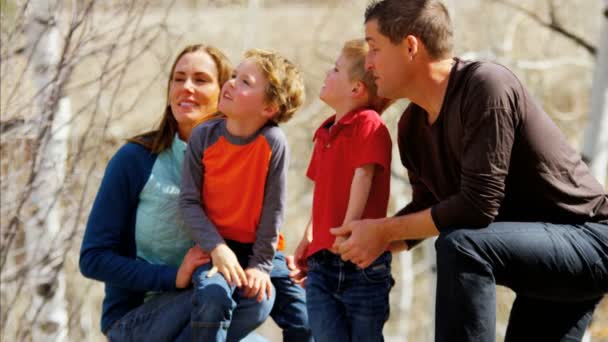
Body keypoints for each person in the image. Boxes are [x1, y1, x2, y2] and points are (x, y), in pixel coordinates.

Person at [330, 1, 608, 341]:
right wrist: (368, 243)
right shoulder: (411, 128)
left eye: (374, 48)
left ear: (410, 46)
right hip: (541, 258)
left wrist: (384, 231)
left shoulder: (486, 86)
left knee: (460, 245)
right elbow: (427, 208)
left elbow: (477, 206)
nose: (368, 63)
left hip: (590, 239)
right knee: (459, 242)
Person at [80, 44, 311, 342]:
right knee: (249, 302)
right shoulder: (135, 160)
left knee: (261, 300)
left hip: (211, 306)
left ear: (221, 92)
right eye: (178, 78)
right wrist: (172, 276)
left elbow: (259, 221)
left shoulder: (246, 154)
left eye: (200, 80)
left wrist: (280, 264)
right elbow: (93, 259)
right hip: (140, 317)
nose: (186, 87)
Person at [179, 48, 306, 341]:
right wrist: (217, 248)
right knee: (214, 300)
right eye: (234, 75)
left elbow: (274, 210)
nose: (231, 83)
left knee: (304, 316)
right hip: (216, 247)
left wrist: (260, 266)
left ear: (269, 108)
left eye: (245, 81)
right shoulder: (203, 136)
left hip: (262, 250)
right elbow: (188, 202)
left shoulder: (273, 142)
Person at [292, 39, 393, 342]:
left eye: (335, 69)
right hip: (323, 264)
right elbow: (322, 194)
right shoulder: (324, 133)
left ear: (356, 89)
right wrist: (308, 237)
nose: (327, 72)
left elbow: (363, 176)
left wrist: (348, 228)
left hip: (361, 262)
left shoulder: (368, 124)